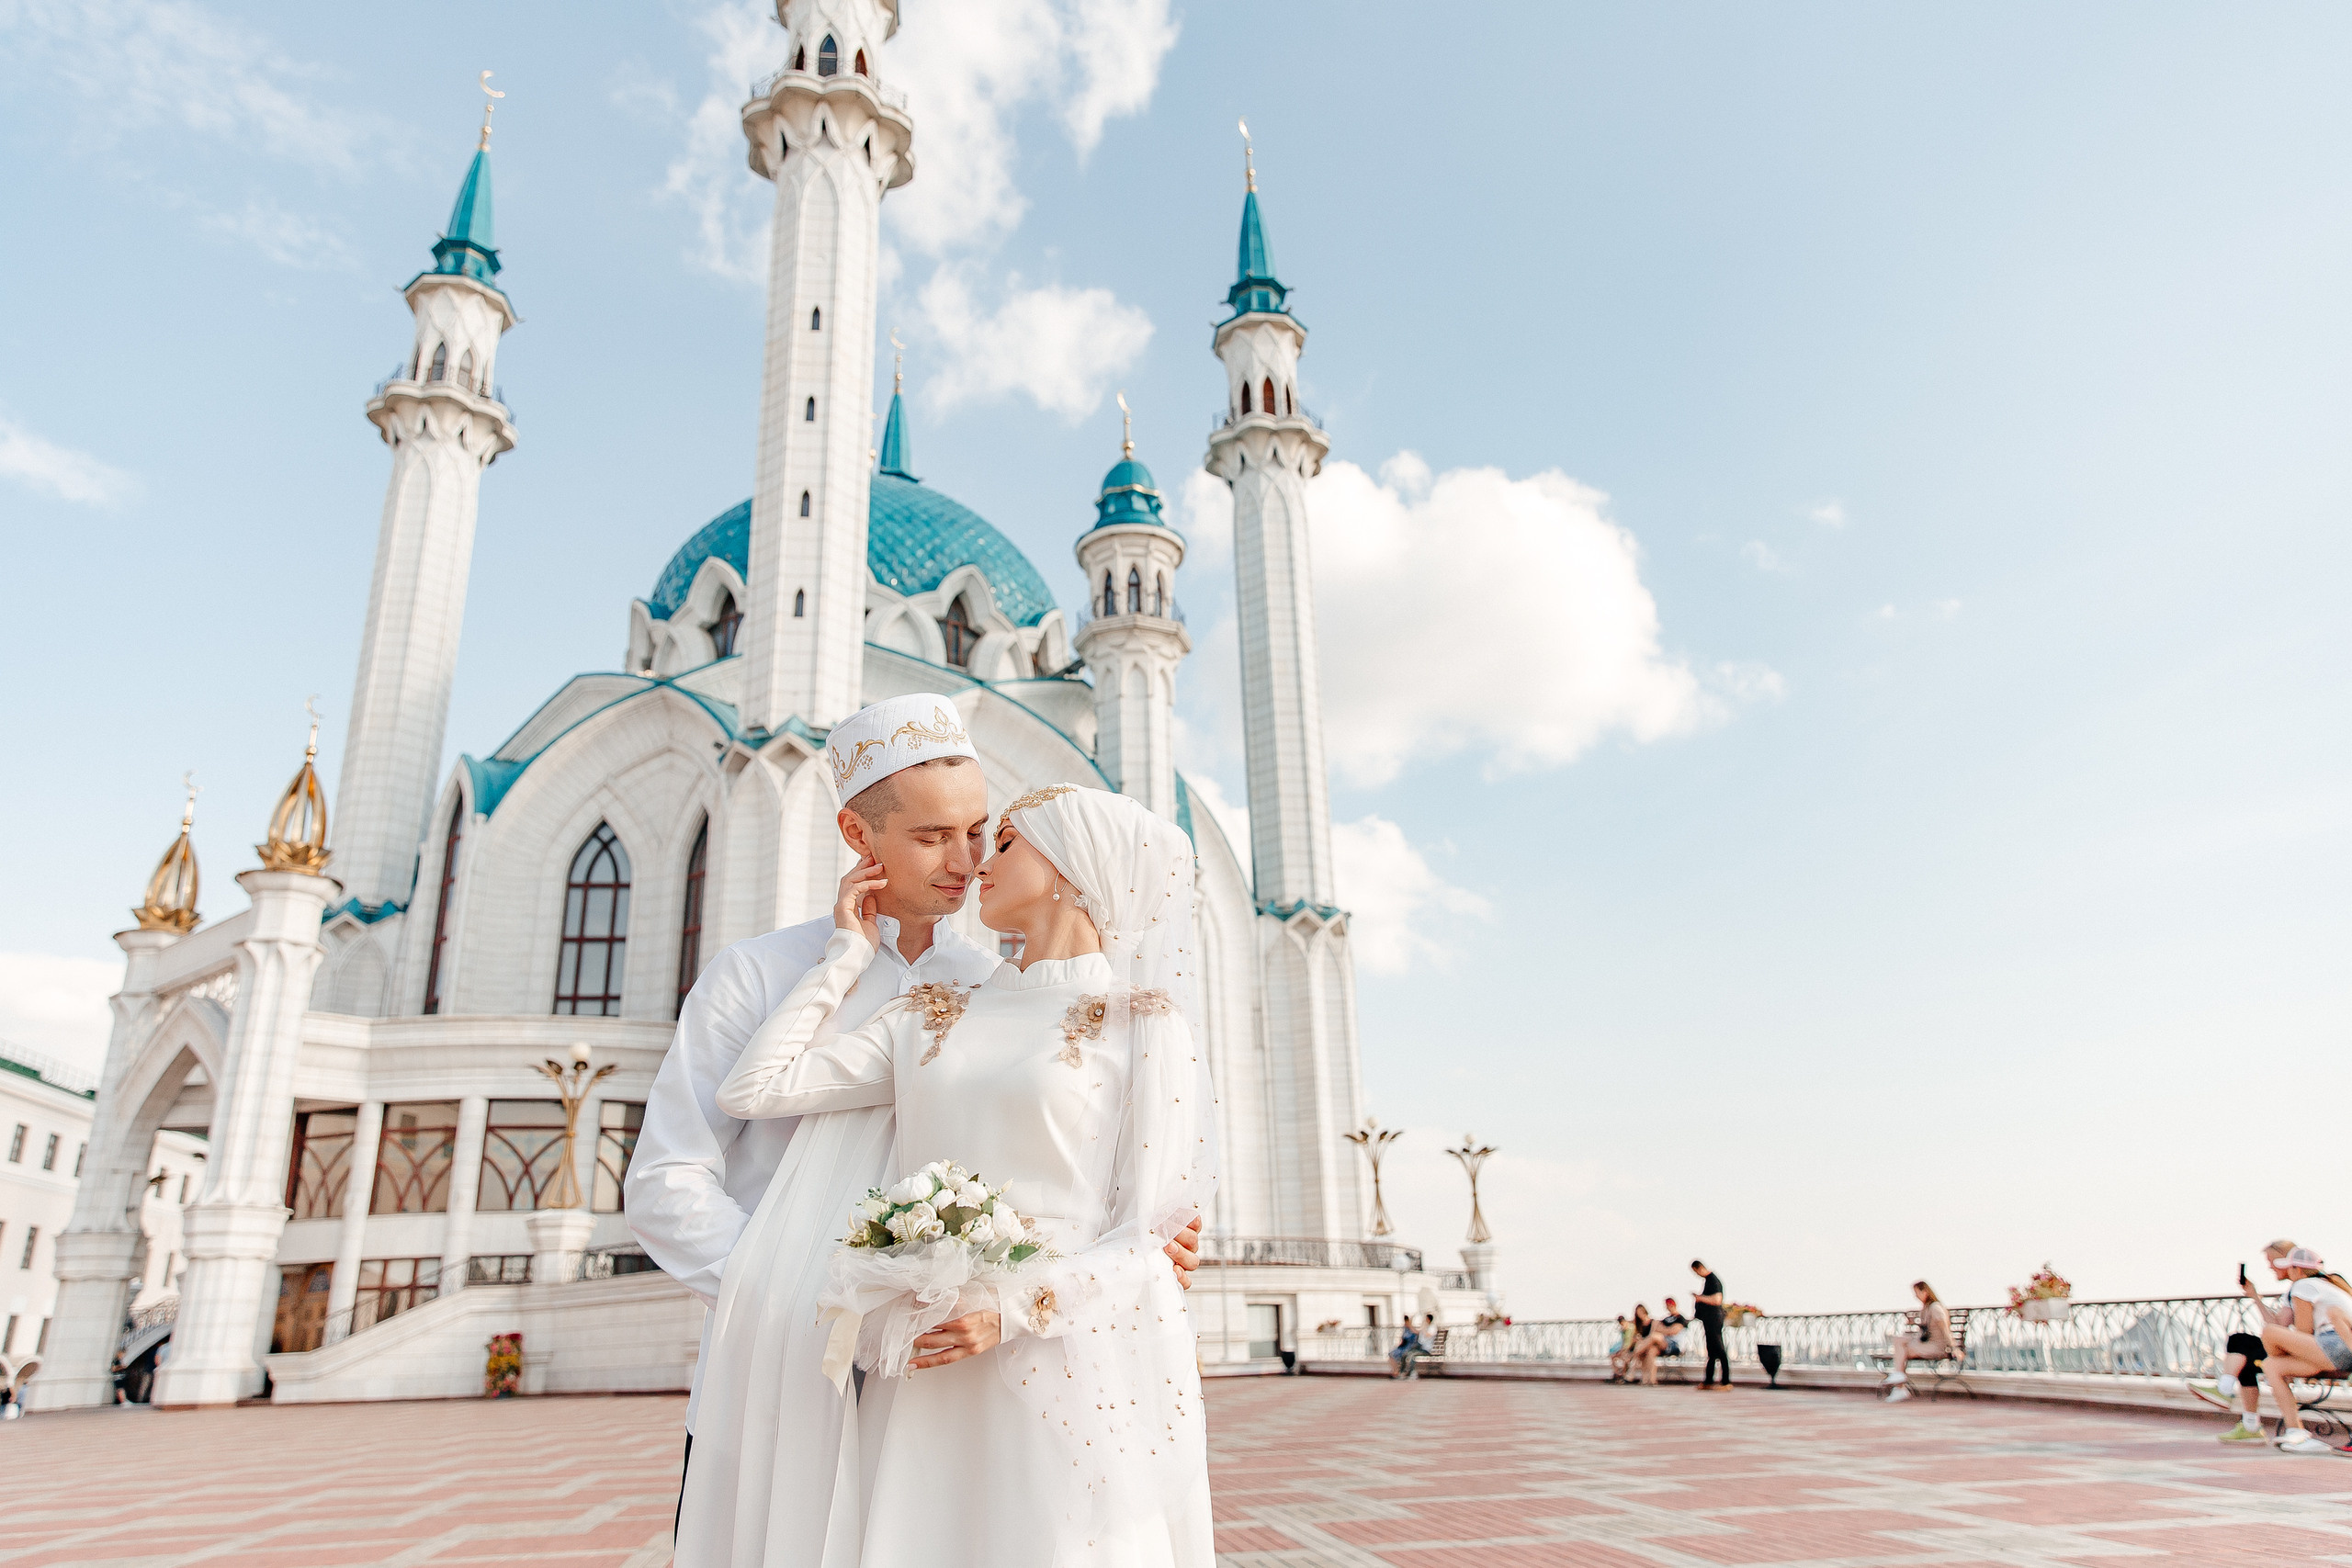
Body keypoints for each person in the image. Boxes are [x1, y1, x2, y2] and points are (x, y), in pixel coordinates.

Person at [629, 698, 1201, 1561]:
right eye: (934, 836)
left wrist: (1140, 1243)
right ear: (859, 836)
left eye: (982, 832)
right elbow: (668, 1177)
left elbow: (1091, 1168)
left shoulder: (991, 985)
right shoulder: (757, 974)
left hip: (964, 1366)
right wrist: (824, 1299)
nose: (969, 862)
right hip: (781, 1368)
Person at [2189, 1240, 2298, 1444]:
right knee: (2245, 1360)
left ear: (2286, 1261)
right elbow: (2277, 1325)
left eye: (2272, 1261)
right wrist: (2255, 1296)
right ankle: (2250, 1425)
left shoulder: (2300, 1289)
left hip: (2301, 1352)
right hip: (2293, 1347)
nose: (2270, 1267)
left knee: (2240, 1342)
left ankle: (2224, 1390)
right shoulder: (2294, 1290)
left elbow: (2279, 1328)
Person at [2256, 1247, 2352, 1456]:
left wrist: (2285, 1350)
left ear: (2297, 1270)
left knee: (2270, 1332)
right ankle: (2296, 1432)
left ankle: (2296, 1433)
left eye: (2289, 1269)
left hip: (2335, 1345)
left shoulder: (2303, 1286)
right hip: (2336, 1349)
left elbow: (2303, 1332)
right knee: (2272, 1366)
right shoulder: (2328, 1284)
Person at [1881, 1280, 1953, 1404]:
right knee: (1899, 1342)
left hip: (1936, 1347)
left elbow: (1944, 1329)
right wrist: (1914, 1322)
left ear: (1925, 1292)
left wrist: (1953, 1348)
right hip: (1927, 1344)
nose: (1916, 1296)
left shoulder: (1935, 1308)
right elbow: (1925, 1331)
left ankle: (1899, 1385)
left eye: (1917, 1293)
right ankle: (1899, 1383)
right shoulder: (1926, 1309)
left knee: (1901, 1348)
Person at [1691, 1259, 1732, 1389]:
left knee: (1719, 1349)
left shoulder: (1713, 1280)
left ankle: (1726, 1381)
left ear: (1698, 1268)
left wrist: (1700, 1298)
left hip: (1714, 1319)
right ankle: (1708, 1380)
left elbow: (1717, 1300)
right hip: (1708, 1320)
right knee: (1712, 1351)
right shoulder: (1708, 1281)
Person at [1390, 1316, 1428, 1380]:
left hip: (1410, 1347)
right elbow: (1402, 1340)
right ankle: (1396, 1372)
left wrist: (1410, 1326)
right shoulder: (1405, 1329)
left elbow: (1417, 1335)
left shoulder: (1412, 1329)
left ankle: (1401, 1372)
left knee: (1405, 1355)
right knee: (1391, 1354)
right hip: (1404, 1347)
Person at [1607, 1315, 1636, 1382]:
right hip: (1624, 1349)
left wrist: (1624, 1350)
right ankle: (1617, 1374)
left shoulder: (1631, 1328)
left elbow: (1630, 1342)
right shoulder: (1624, 1331)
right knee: (1613, 1356)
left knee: (1625, 1358)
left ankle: (1623, 1375)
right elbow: (1624, 1342)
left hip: (1630, 1349)